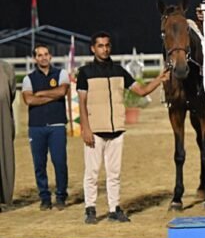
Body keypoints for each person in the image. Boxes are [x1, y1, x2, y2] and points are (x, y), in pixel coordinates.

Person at [77, 32, 169, 224]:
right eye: (100, 46)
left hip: (117, 130)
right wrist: (85, 128)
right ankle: (90, 209)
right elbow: (82, 103)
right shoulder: (85, 73)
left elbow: (141, 91)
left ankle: (114, 209)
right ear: (93, 49)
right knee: (92, 173)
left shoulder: (120, 71)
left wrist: (159, 79)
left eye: (107, 45)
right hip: (95, 131)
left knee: (114, 174)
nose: (104, 49)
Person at [21, 44, 70, 210]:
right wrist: (52, 94)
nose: (43, 57)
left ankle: (61, 196)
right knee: (39, 164)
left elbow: (62, 91)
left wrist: (40, 93)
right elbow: (29, 100)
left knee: (60, 162)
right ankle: (45, 197)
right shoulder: (28, 79)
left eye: (46, 54)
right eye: (39, 55)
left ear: (50, 56)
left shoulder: (61, 73)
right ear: (35, 58)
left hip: (57, 125)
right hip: (36, 126)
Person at [0, 59, 16, 211]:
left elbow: (11, 94)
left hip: (2, 119)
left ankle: (4, 197)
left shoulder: (6, 68)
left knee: (4, 156)